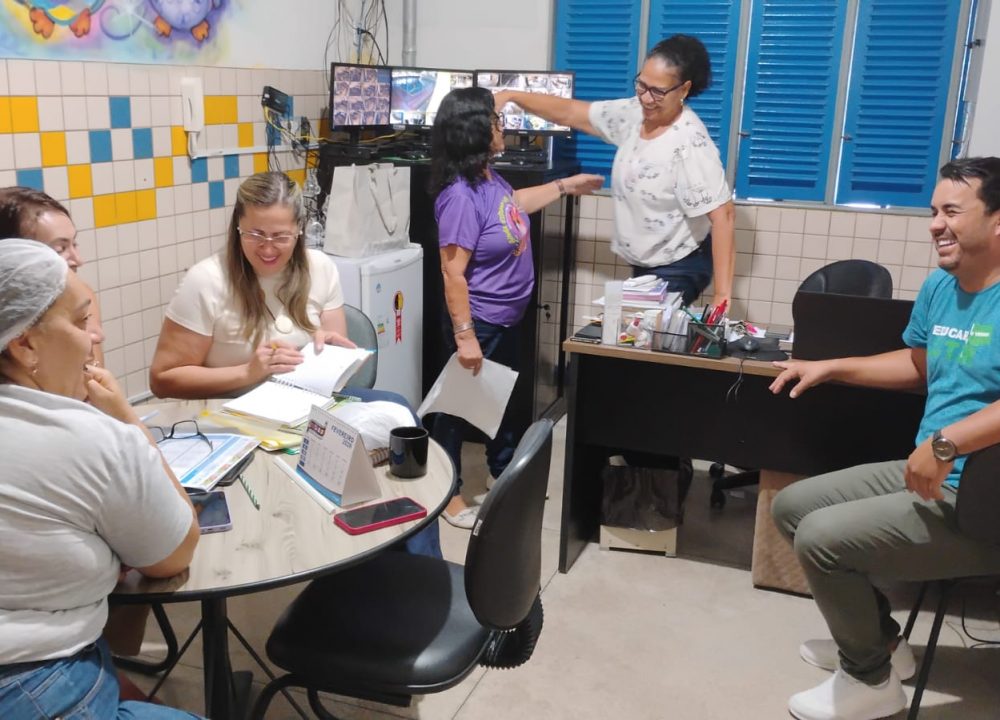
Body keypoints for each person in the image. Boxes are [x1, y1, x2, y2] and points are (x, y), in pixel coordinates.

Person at [769, 157, 1000, 720]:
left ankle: (869, 680)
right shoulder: (942, 286)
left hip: (984, 500)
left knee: (822, 539)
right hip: (934, 474)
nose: (935, 224)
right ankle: (882, 646)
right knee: (793, 507)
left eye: (952, 211)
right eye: (933, 211)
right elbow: (918, 363)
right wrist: (832, 367)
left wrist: (946, 444)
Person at [150, 171, 440, 555]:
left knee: (399, 415)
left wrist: (332, 348)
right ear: (237, 226)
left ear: (300, 230)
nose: (268, 248)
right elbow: (163, 378)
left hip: (306, 409)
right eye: (255, 234)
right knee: (332, 480)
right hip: (235, 416)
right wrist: (247, 372)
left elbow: (337, 352)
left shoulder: (319, 268)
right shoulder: (206, 281)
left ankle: (414, 565)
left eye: (281, 236)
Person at [0, 239, 201, 719]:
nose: (97, 336)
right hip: (35, 687)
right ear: (24, 344)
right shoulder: (88, 437)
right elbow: (174, 553)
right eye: (81, 321)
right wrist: (127, 421)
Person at [430, 86, 603, 528]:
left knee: (499, 399)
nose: (501, 126)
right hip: (480, 323)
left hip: (506, 318)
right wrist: (466, 337)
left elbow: (514, 207)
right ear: (474, 129)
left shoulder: (487, 178)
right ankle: (447, 495)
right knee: (456, 410)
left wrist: (565, 186)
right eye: (494, 120)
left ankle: (501, 472)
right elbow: (452, 273)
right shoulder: (460, 197)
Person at [495, 34, 735, 307]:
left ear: (683, 89)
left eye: (657, 91)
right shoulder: (636, 112)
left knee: (639, 330)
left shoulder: (690, 142)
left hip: (679, 265)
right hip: (646, 264)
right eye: (641, 85)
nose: (646, 98)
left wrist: (722, 296)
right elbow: (571, 113)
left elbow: (724, 215)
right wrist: (512, 95)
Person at [0, 186, 105, 366]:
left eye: (74, 244)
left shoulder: (83, 297)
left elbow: (93, 372)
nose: (78, 260)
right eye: (60, 249)